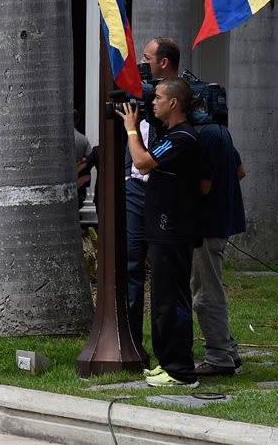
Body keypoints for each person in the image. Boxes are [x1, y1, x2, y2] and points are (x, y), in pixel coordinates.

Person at [118, 77, 202, 387]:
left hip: (173, 229)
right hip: (163, 228)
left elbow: (140, 162)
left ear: (174, 103)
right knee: (163, 299)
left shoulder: (181, 137)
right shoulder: (173, 134)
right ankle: (167, 361)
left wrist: (130, 126)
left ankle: (181, 370)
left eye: (159, 97)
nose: (153, 102)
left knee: (172, 300)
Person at [125, 37, 182, 349]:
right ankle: (132, 343)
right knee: (131, 265)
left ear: (163, 62)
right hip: (135, 189)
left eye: (146, 58)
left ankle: (169, 347)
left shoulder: (178, 98)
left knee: (164, 271)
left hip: (163, 192)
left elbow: (148, 160)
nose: (141, 64)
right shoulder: (140, 95)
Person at [191, 120, 246, 377]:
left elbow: (203, 186)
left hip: (206, 228)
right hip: (218, 224)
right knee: (208, 288)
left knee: (206, 292)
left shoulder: (206, 137)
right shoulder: (221, 131)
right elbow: (240, 171)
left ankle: (219, 355)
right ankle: (227, 349)